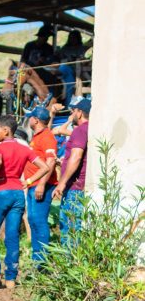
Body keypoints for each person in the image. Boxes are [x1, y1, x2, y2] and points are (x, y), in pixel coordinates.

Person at [0, 115, 49, 288]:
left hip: (0, 193)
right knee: (12, 235)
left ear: (6, 130)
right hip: (18, 194)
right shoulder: (25, 148)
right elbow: (45, 167)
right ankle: (11, 279)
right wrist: (29, 182)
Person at [52, 97, 91, 245]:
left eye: (73, 111)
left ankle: (70, 265)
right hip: (81, 186)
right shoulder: (90, 129)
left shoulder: (80, 130)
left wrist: (61, 184)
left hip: (74, 188)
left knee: (70, 231)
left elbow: (76, 158)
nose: (72, 115)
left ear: (79, 113)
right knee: (76, 230)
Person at [23, 107, 58, 264]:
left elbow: (50, 162)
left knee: (39, 220)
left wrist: (42, 184)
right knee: (33, 219)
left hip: (41, 185)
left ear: (35, 120)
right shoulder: (38, 136)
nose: (28, 119)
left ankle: (41, 261)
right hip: (33, 184)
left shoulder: (47, 137)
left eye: (30, 117)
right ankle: (37, 258)